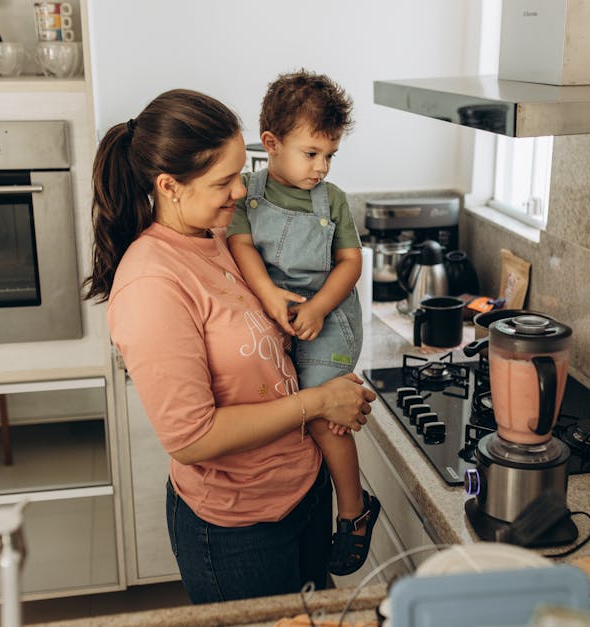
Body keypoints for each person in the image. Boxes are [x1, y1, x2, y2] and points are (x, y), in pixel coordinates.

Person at [83, 88, 377, 603]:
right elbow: (191, 438)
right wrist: (319, 401)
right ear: (170, 186)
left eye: (241, 174)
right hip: (239, 529)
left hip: (304, 494)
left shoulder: (215, 237)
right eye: (224, 181)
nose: (241, 193)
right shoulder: (152, 283)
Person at [227, 70, 379, 577]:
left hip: (329, 318)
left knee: (320, 416)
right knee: (288, 411)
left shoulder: (331, 199)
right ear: (271, 143)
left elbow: (350, 265)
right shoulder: (244, 194)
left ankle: (353, 513)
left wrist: (314, 309)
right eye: (311, 153)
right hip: (279, 316)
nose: (321, 167)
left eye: (330, 155)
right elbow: (241, 246)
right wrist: (269, 293)